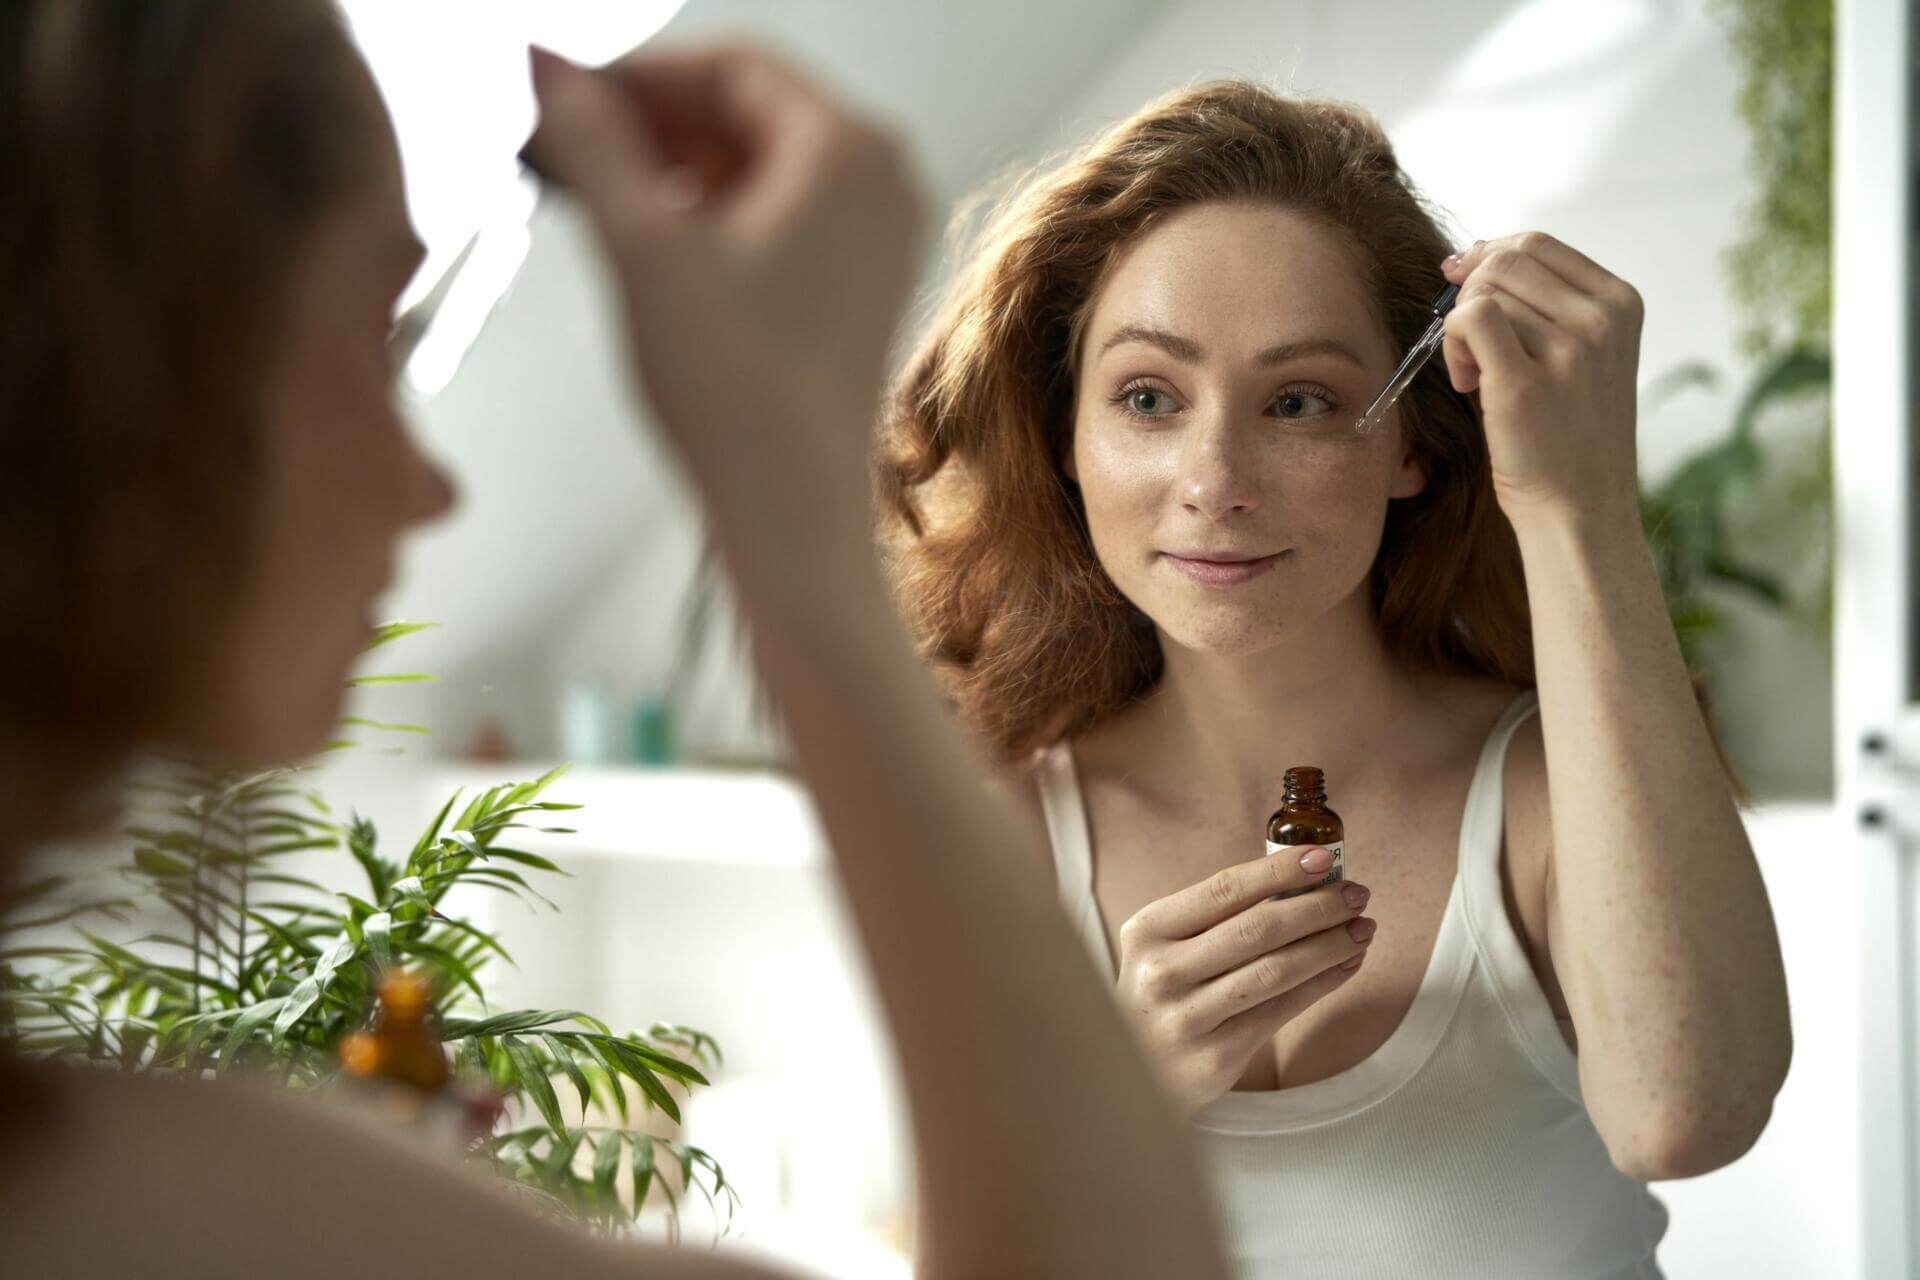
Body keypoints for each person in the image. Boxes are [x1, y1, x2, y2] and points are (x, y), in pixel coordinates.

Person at [0, 4, 1230, 1277]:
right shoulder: (114, 1195)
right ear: (119, 367)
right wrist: (789, 486)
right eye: (384, 338)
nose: (434, 491)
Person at [881, 81, 1793, 1278]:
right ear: (1065, 435)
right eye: (1148, 397)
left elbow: (1687, 1114)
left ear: (1412, 439)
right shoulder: (990, 825)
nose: (1214, 476)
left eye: (1299, 400)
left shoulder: (1540, 790)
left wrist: (1579, 503)